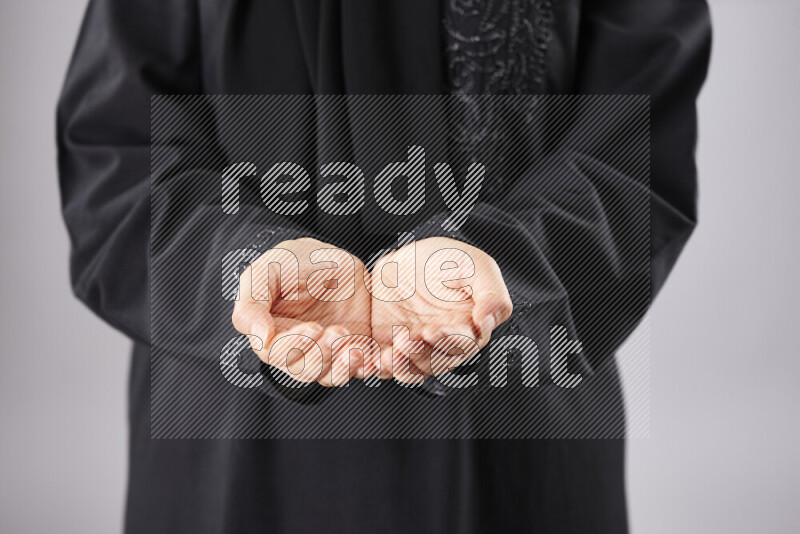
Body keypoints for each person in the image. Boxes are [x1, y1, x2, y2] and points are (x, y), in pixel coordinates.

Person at [57, 0, 711, 532]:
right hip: (235, 437)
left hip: (519, 430)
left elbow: (635, 149)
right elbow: (118, 154)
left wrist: (505, 261)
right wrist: (243, 267)